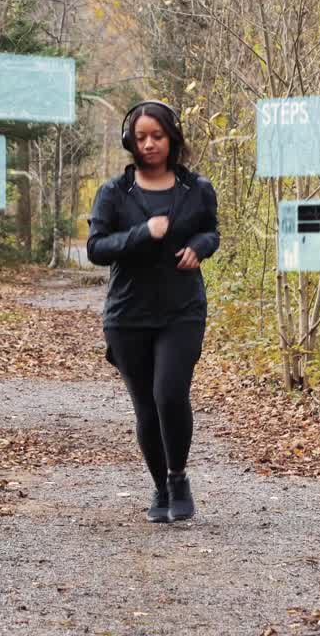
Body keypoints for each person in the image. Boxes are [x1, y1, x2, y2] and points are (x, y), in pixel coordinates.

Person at [86, 100, 220, 523]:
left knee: (169, 393)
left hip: (182, 310)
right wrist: (142, 233)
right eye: (141, 137)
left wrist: (200, 248)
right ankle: (161, 488)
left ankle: (179, 478)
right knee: (146, 405)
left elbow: (211, 231)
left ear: (172, 138)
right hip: (128, 315)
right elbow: (96, 249)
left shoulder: (196, 189)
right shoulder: (114, 192)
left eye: (157, 136)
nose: (149, 144)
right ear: (130, 140)